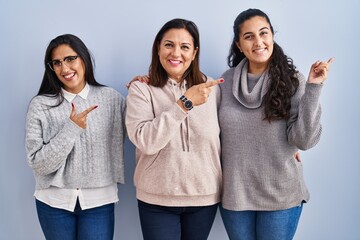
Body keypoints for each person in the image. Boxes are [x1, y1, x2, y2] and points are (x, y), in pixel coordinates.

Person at [218, 8, 334, 240]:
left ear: (272, 36)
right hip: (234, 194)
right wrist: (151, 82)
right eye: (249, 36)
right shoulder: (224, 81)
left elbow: (304, 140)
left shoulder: (292, 81)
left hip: (280, 194)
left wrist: (313, 88)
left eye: (264, 33)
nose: (258, 42)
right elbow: (207, 128)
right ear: (239, 45)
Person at [125, 18, 223, 240]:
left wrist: (283, 147)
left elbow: (231, 133)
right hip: (157, 199)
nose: (176, 53)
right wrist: (184, 104)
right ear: (158, 47)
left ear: (194, 52)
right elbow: (145, 141)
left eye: (185, 47)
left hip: (204, 197)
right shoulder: (141, 89)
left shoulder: (212, 88)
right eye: (169, 44)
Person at [25, 34, 126, 240]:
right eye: (57, 63)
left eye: (70, 59)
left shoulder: (112, 99)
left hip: (99, 201)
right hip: (54, 202)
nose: (65, 68)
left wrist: (147, 87)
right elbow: (38, 165)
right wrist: (71, 129)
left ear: (83, 59)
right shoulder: (40, 105)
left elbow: (140, 130)